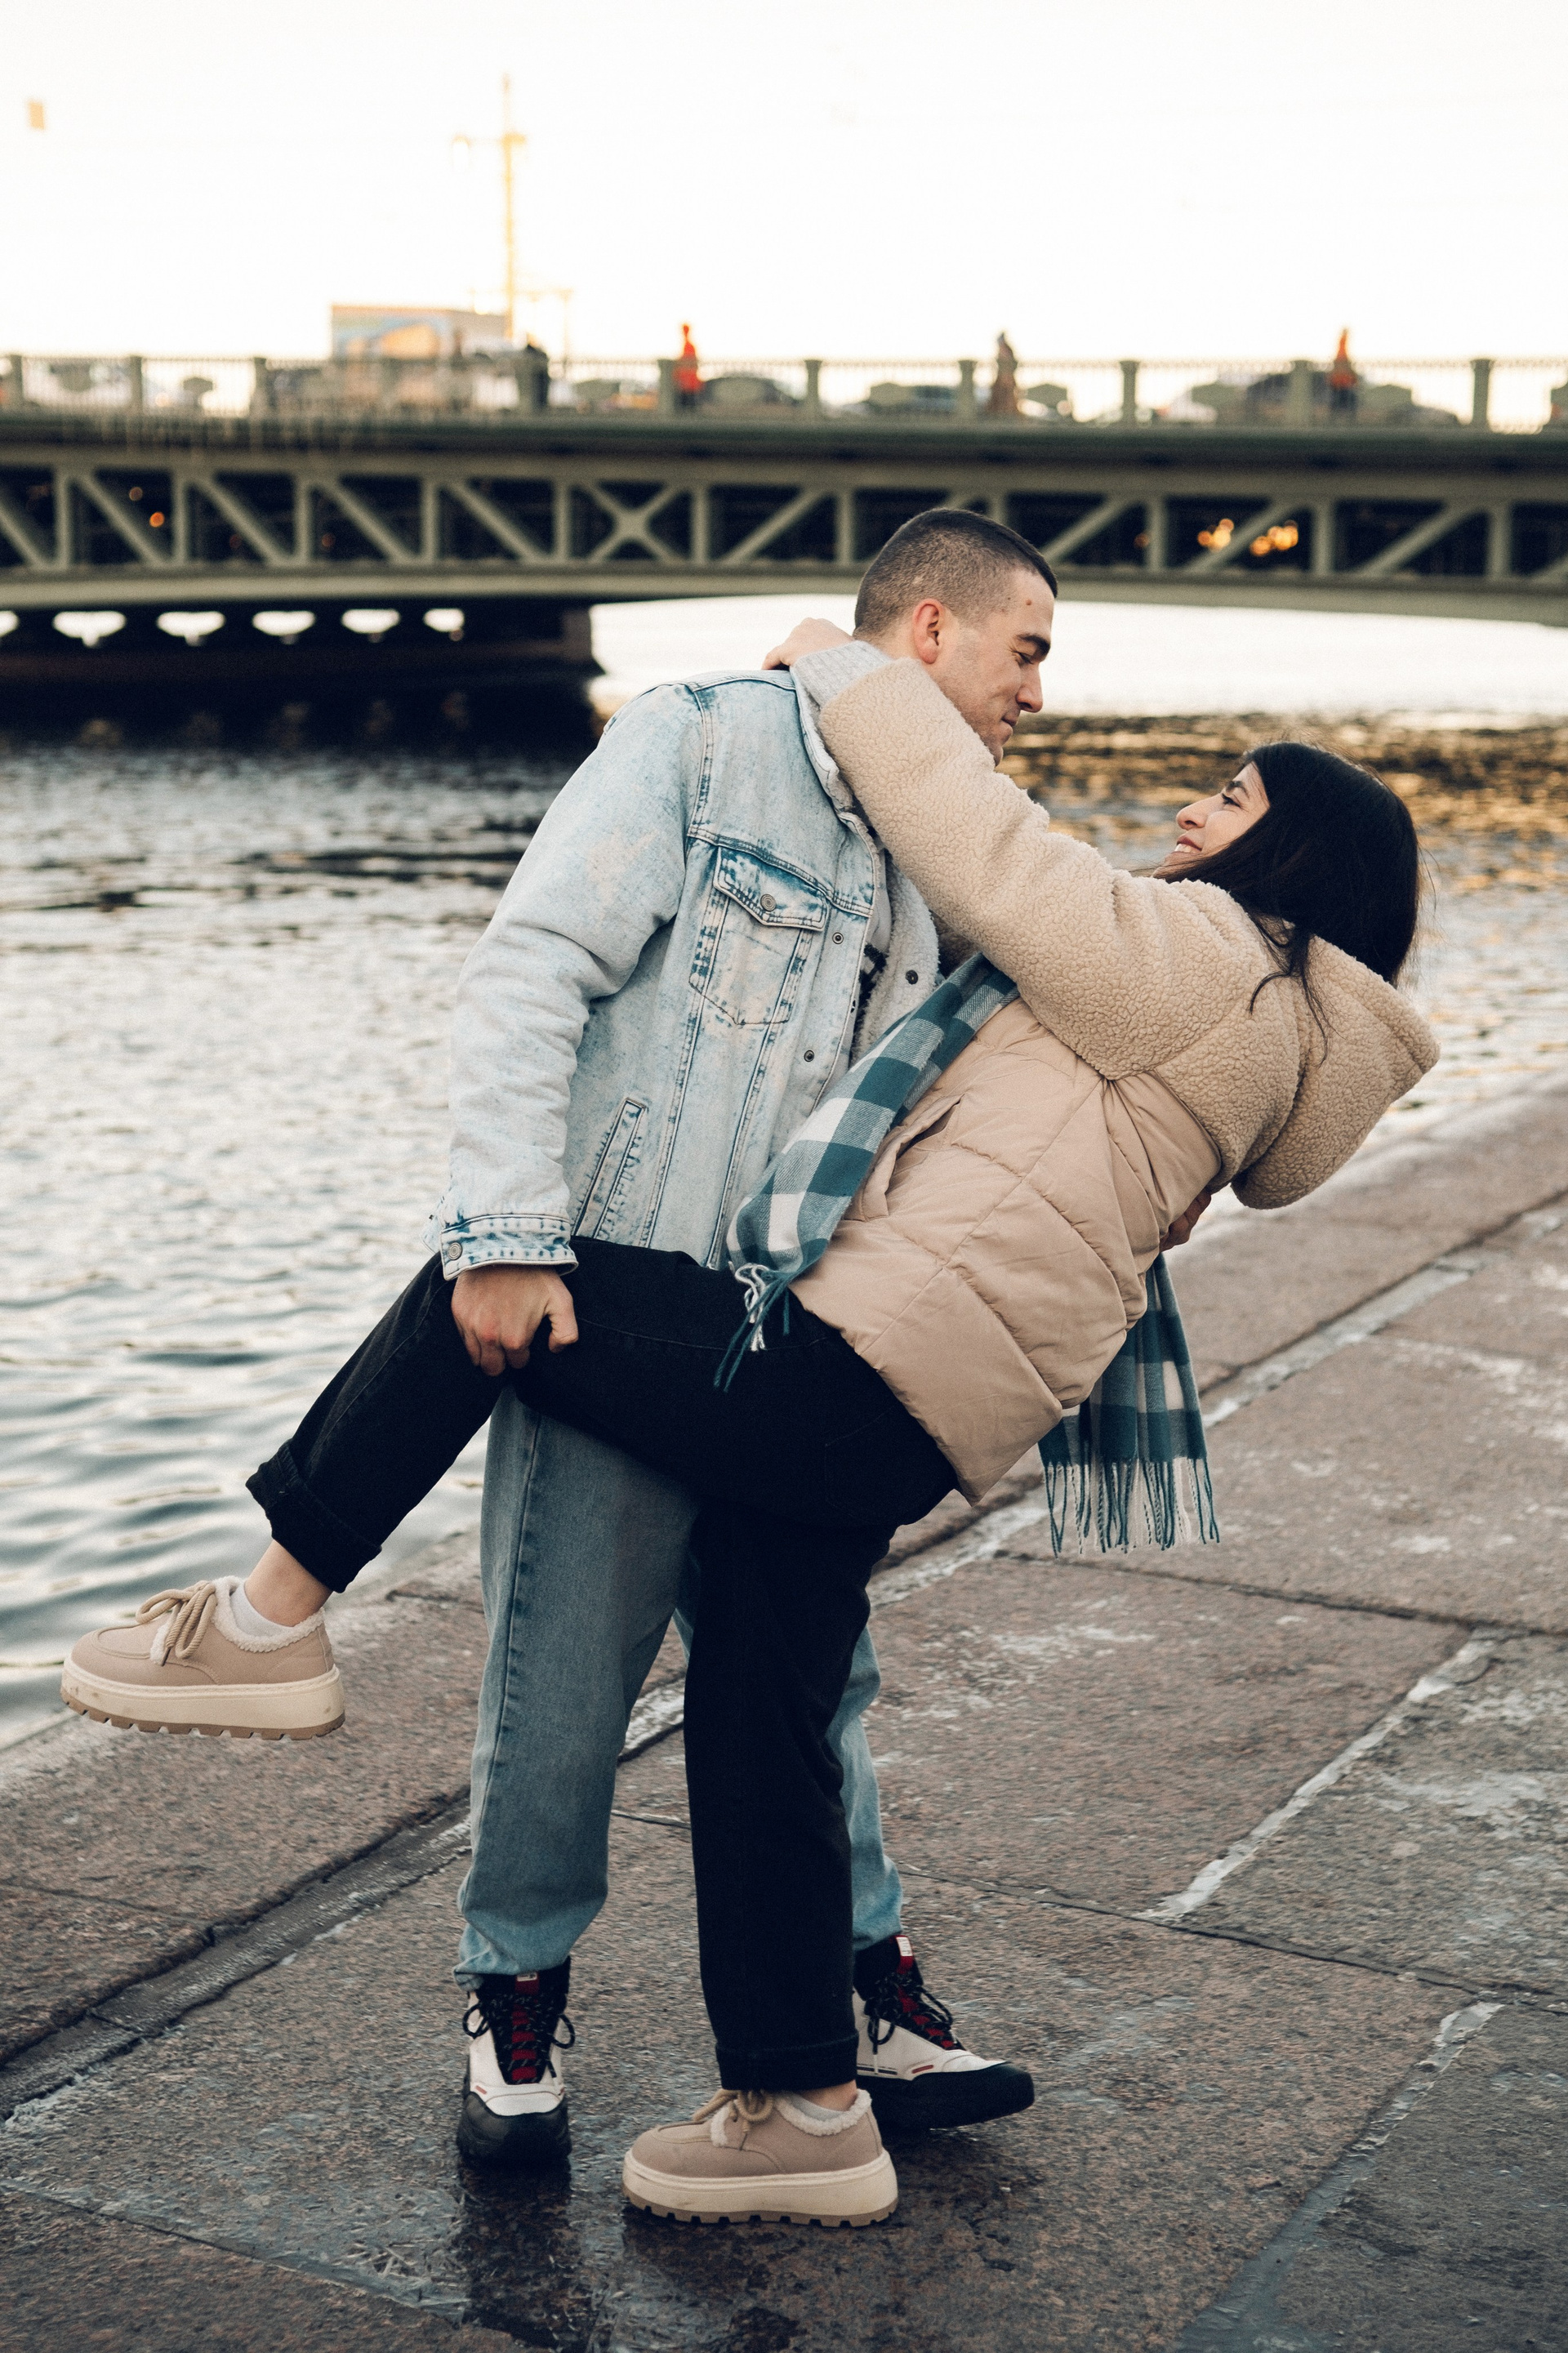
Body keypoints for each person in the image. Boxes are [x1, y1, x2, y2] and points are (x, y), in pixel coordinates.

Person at [68, 623, 1432, 2225]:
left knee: (505, 1284)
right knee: (764, 1727)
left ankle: (267, 1621)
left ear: (1295, 856)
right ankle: (804, 2106)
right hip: (927, 1417)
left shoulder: (1204, 954)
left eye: (1231, 798)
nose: (1194, 812)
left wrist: (840, 662)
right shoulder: (1263, 1033)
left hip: (847, 1363)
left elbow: (983, 843)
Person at [62, 510, 1070, 2178]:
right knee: (563, 1671)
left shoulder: (941, 849)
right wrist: (510, 1237)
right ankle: (517, 1989)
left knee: (811, 1686)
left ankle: (862, 1986)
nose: (1039, 691)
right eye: (1026, 652)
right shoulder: (700, 743)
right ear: (929, 632)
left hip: (794, 1334)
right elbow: (530, 971)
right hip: (614, 1297)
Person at [987, 331, 1020, 419]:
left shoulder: (1006, 349)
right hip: (1003, 378)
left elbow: (1009, 364)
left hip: (1006, 379)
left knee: (1007, 397)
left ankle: (1008, 415)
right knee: (998, 397)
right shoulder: (1005, 349)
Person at [675, 322, 701, 409]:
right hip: (685, 381)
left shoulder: (689, 346)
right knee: (686, 405)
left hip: (689, 382)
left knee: (688, 405)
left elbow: (691, 363)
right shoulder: (686, 345)